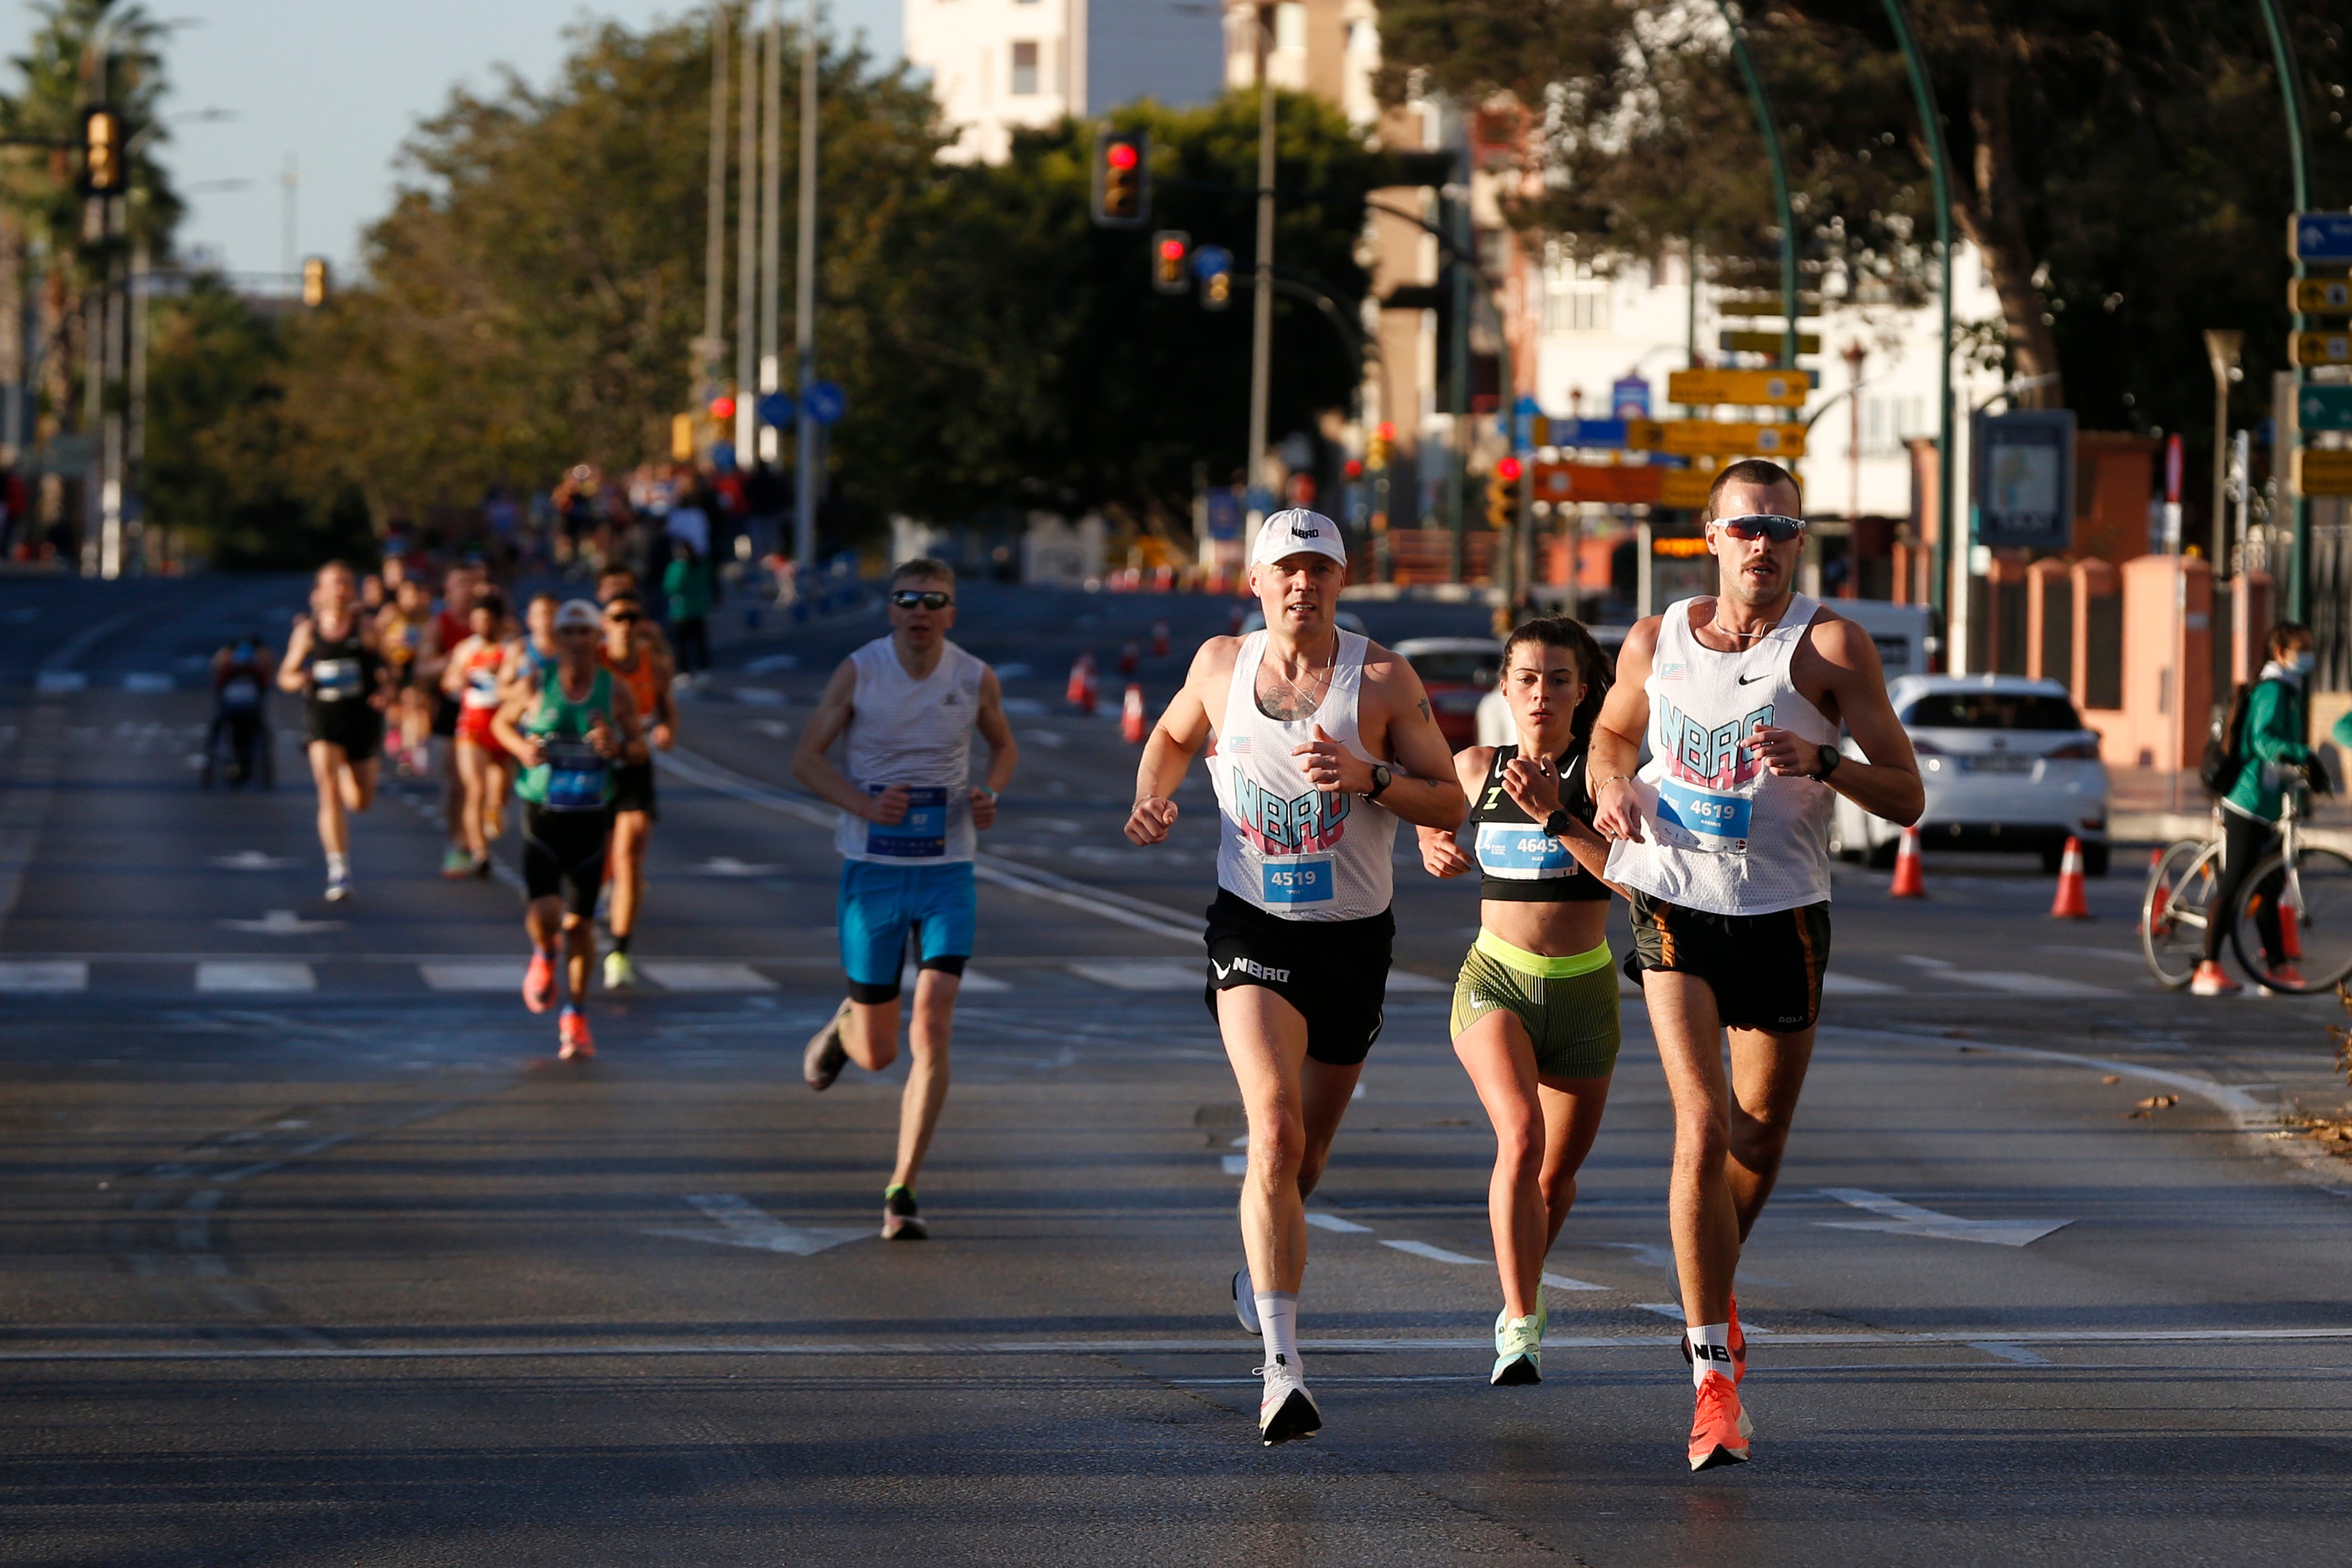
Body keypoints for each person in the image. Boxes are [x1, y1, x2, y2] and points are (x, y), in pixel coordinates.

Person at [1588, 460, 1923, 1471]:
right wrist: (1608, 785)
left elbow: (1905, 796)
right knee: (1700, 1121)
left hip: (1782, 911)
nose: (1763, 545)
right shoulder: (1655, 639)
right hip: (1673, 898)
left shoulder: (1826, 645)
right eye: (1746, 528)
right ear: (1710, 538)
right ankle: (1708, 1373)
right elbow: (1610, 730)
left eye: (1782, 528)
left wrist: (1822, 762)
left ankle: (1713, 1280)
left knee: (1758, 1134)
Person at [1125, 509, 1464, 1447]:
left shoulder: (1382, 677)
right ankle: (1281, 1369)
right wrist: (1151, 796)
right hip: (1250, 926)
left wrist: (1370, 778)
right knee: (1270, 1131)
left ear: (1339, 582)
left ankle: (1257, 1268)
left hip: (1351, 940)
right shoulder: (1217, 665)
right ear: (1255, 582)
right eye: (1285, 570)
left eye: (1317, 570)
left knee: (1304, 1159)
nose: (1300, 586)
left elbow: (1450, 797)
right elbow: (1169, 736)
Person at [1417, 616, 1623, 1388]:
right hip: (1494, 979)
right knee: (1522, 1133)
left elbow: (1633, 879)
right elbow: (1419, 801)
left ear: (1584, 691)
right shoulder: (1474, 766)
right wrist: (1431, 840)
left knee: (1554, 1178)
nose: (1541, 694)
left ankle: (1522, 1290)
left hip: (1585, 991)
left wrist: (1554, 816)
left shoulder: (1605, 780)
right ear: (1504, 688)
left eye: (1558, 680)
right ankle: (1521, 1322)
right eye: (1527, 679)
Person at [793, 559, 1018, 1242]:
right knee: (881, 1052)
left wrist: (989, 793)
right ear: (890, 609)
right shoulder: (860, 670)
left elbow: (1003, 746)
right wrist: (864, 803)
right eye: (907, 599)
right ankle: (846, 1025)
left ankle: (903, 1187)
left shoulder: (973, 674)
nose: (920, 610)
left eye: (934, 601)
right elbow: (806, 757)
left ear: (951, 612)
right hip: (875, 869)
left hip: (948, 871)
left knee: (934, 1022)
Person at [493, 600, 645, 1059]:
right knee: (546, 916)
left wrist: (616, 746)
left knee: (579, 925)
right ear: (556, 640)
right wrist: (522, 748)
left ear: (597, 638)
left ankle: (575, 1016)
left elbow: (638, 749)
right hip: (543, 815)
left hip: (590, 817)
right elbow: (501, 723)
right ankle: (543, 955)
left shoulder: (615, 690)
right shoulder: (536, 684)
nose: (578, 642)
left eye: (585, 633)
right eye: (569, 634)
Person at [2197, 622, 2323, 995]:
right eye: (2302, 649)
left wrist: (2311, 773)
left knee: (2269, 885)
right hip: (2246, 802)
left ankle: (2277, 968)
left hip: (2267, 803)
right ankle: (2208, 967)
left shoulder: (2288, 689)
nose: (2308, 656)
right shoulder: (2273, 690)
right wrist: (2303, 755)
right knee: (2234, 883)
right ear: (2280, 653)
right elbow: (2265, 740)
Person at [277, 563, 391, 902]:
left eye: (345, 582)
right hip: (323, 719)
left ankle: (349, 772)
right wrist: (301, 679)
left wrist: (386, 690)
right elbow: (285, 675)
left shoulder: (366, 628)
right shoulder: (308, 632)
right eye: (333, 584)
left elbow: (390, 668)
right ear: (320, 591)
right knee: (327, 791)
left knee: (360, 800)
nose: (340, 589)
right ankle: (338, 870)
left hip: (360, 719)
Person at [598, 590, 677, 988]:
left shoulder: (654, 666)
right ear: (605, 625)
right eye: (617, 618)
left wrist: (665, 731)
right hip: (591, 769)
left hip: (634, 763)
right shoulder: (591, 661)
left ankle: (619, 951)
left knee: (629, 855)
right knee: (595, 858)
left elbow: (668, 713)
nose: (625, 626)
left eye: (632, 617)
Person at [441, 592, 515, 880]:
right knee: (476, 789)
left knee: (498, 796)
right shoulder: (465, 649)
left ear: (498, 622)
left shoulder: (511, 650)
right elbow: (449, 681)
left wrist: (503, 676)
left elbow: (523, 684)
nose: (482, 625)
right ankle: (479, 852)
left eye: (488, 619)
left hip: (503, 728)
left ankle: (492, 815)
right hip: (472, 726)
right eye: (477, 619)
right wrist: (456, 680)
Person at [427, 565, 480, 877]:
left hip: (489, 712)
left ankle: (477, 830)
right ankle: (457, 842)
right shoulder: (440, 625)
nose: (466, 589)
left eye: (471, 583)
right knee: (455, 783)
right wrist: (454, 661)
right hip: (451, 710)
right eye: (460, 583)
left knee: (485, 784)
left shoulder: (497, 621)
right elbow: (422, 667)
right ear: (448, 590)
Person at [376, 575, 435, 777]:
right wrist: (392, 642)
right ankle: (395, 730)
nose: (413, 599)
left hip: (416, 665)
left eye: (416, 595)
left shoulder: (427, 615)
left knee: (416, 704)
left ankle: (413, 749)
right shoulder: (392, 612)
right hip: (394, 663)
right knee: (396, 706)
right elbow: (375, 636)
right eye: (408, 595)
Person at [209, 634, 275, 787]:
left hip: (244, 714)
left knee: (250, 734)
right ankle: (234, 763)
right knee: (229, 732)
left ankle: (242, 764)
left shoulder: (252, 671)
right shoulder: (233, 670)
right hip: (238, 714)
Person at [664, 537, 712, 678]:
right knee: (700, 643)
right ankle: (704, 670)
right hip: (699, 609)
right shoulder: (702, 565)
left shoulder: (677, 567)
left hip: (681, 610)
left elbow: (671, 587)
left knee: (681, 645)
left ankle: (684, 671)